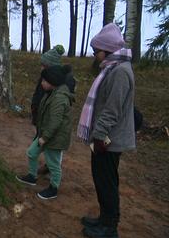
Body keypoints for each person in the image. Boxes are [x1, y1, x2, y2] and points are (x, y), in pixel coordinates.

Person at [78, 23, 136, 238]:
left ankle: (110, 227)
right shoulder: (112, 68)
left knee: (107, 182)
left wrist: (99, 135)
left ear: (107, 50)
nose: (95, 55)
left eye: (96, 51)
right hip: (103, 136)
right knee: (101, 179)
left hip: (109, 138)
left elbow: (112, 109)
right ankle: (104, 219)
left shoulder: (120, 72)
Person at [16, 65, 75, 200]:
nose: (41, 83)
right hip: (45, 134)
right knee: (31, 152)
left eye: (44, 81)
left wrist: (45, 137)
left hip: (54, 138)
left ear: (52, 82)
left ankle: (53, 188)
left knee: (53, 165)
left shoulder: (59, 98)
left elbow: (55, 121)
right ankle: (32, 176)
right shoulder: (51, 93)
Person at [31, 45, 76, 175]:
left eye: (44, 65)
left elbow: (62, 104)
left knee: (54, 145)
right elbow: (38, 93)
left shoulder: (65, 81)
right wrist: (35, 107)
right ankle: (48, 165)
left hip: (52, 117)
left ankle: (53, 168)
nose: (42, 68)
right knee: (42, 141)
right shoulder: (45, 76)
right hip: (42, 115)